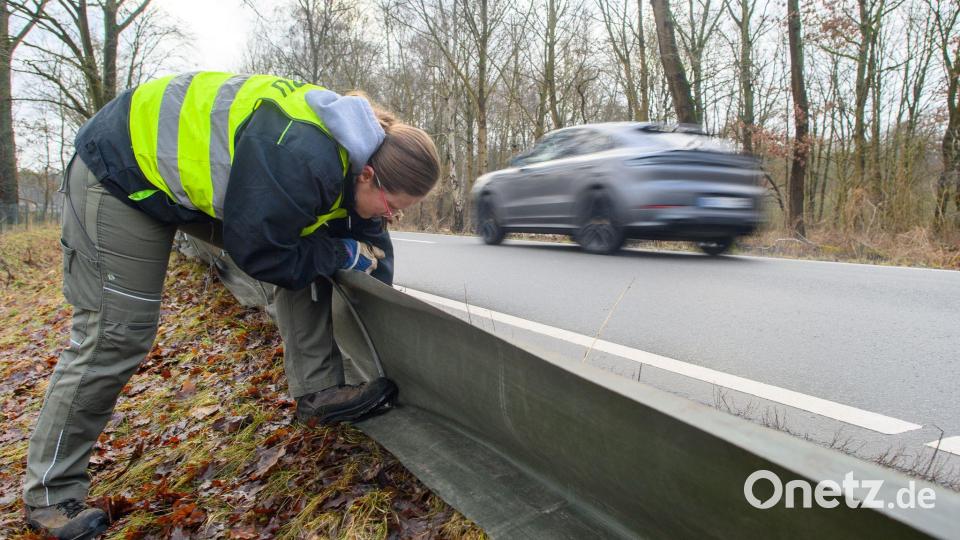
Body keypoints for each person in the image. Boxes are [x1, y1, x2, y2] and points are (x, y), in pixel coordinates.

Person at [22, 72, 440, 539]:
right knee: (117, 334)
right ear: (367, 174)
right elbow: (262, 253)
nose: (389, 217)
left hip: (191, 190)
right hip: (120, 171)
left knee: (308, 245)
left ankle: (319, 390)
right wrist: (340, 254)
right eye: (390, 205)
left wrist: (382, 310)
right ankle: (50, 493)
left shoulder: (358, 159)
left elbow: (372, 251)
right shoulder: (304, 155)